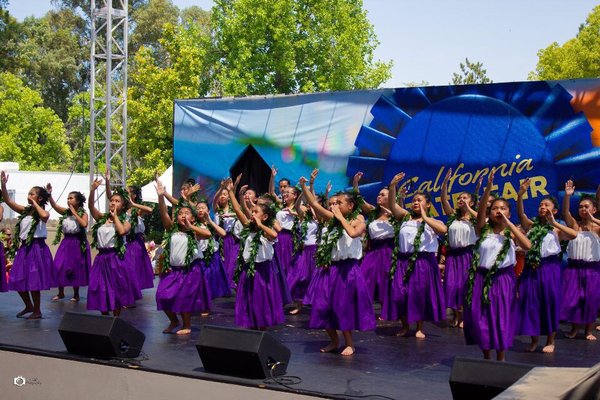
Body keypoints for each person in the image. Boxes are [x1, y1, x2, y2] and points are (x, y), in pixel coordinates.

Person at [300, 177, 375, 356]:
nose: (334, 206)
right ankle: (334, 340)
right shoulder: (331, 220)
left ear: (350, 206)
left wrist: (340, 217)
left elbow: (352, 232)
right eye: (333, 203)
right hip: (329, 269)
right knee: (322, 306)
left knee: (344, 306)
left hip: (348, 270)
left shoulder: (359, 220)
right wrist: (304, 185)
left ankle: (349, 343)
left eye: (339, 203)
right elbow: (313, 204)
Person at [463, 169, 531, 361]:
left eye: (502, 208)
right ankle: (486, 355)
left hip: (503, 279)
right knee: (480, 317)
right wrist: (488, 190)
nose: (498, 211)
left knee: (501, 318)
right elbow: (481, 211)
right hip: (481, 278)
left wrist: (509, 224)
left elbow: (527, 246)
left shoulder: (512, 232)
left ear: (509, 212)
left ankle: (500, 358)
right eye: (495, 208)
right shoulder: (482, 229)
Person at [516, 179, 577, 353]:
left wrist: (554, 223)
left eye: (547, 205)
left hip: (550, 268)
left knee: (549, 302)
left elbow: (573, 235)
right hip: (531, 267)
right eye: (541, 205)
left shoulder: (557, 229)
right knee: (531, 302)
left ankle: (551, 340)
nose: (542, 207)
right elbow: (521, 216)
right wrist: (520, 195)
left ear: (554, 210)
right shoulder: (532, 226)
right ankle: (534, 340)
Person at [384, 172, 447, 339]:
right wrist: (392, 186)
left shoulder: (435, 222)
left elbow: (443, 230)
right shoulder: (405, 217)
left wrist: (425, 217)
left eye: (420, 200)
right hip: (403, 260)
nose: (415, 202)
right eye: (414, 200)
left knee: (419, 295)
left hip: (423, 262)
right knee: (399, 294)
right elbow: (392, 205)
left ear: (428, 205)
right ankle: (405, 326)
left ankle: (419, 327)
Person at [227, 177, 285, 330]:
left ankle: (262, 333)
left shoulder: (266, 232)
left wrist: (260, 225)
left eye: (256, 212)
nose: (252, 214)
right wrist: (230, 192)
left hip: (263, 272)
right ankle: (252, 331)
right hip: (248, 270)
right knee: (249, 301)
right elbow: (238, 210)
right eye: (252, 211)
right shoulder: (248, 227)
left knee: (262, 301)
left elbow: (274, 235)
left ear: (265, 217)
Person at [155, 180, 212, 334]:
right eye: (180, 213)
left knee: (184, 298)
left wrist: (190, 226)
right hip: (172, 270)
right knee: (162, 295)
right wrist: (161, 197)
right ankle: (174, 321)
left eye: (186, 213)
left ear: (192, 218)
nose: (182, 215)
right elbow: (163, 213)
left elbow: (208, 234)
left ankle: (186, 325)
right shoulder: (172, 229)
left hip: (190, 270)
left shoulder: (194, 232)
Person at [1, 171, 54, 319]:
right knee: (17, 278)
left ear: (40, 198)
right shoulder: (25, 211)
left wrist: (36, 203)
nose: (29, 196)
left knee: (34, 280)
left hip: (37, 247)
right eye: (29, 194)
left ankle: (37, 310)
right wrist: (3, 185)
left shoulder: (40, 212)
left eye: (32, 194)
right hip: (25, 248)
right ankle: (28, 306)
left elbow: (45, 216)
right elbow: (8, 201)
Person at [87, 178, 135, 316]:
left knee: (115, 289)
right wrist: (93, 191)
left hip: (115, 258)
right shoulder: (102, 218)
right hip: (101, 258)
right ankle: (104, 319)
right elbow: (91, 207)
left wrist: (115, 218)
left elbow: (121, 231)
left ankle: (116, 319)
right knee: (100, 287)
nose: (113, 202)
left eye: (117, 201)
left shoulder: (127, 221)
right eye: (112, 200)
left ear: (123, 206)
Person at [560, 180, 600, 340]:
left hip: (592, 269)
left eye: (587, 207)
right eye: (581, 207)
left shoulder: (597, 228)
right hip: (573, 268)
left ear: (595, 209)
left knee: (590, 299)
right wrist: (568, 197)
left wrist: (593, 218)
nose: (583, 209)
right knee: (573, 299)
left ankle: (588, 331)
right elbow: (565, 214)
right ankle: (574, 328)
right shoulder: (575, 226)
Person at [353, 172, 396, 317]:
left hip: (388, 251)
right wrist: (355, 184)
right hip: (373, 252)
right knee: (364, 279)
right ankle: (362, 310)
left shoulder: (396, 214)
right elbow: (359, 200)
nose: (379, 196)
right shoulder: (373, 211)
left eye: (383, 194)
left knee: (385, 282)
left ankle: (386, 312)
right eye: (379, 194)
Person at [440, 168, 478, 328]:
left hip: (467, 255)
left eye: (465, 197)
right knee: (451, 285)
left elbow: (482, 219)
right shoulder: (453, 216)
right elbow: (444, 201)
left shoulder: (477, 217)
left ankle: (464, 317)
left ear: (472, 201)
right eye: (460, 197)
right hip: (453, 255)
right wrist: (445, 184)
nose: (461, 199)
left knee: (464, 285)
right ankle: (456, 314)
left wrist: (469, 208)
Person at [46, 184, 91, 302]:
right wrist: (49, 194)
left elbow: (84, 224)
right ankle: (60, 293)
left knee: (75, 268)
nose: (68, 200)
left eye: (71, 198)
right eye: (67, 198)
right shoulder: (65, 212)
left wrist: (75, 213)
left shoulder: (83, 214)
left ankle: (76, 294)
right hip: (66, 242)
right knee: (59, 265)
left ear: (78, 201)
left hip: (77, 242)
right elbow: (54, 206)